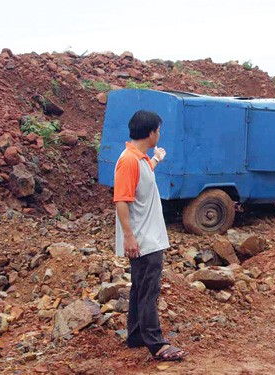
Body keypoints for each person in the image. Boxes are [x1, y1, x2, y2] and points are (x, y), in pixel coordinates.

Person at [113, 110, 188, 361]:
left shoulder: (140, 159)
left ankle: (135, 335)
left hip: (147, 237)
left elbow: (143, 178)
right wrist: (129, 237)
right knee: (149, 291)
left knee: (140, 288)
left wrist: (157, 159)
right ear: (151, 132)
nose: (160, 133)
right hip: (144, 240)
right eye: (158, 130)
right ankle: (156, 344)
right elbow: (121, 200)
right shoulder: (129, 161)